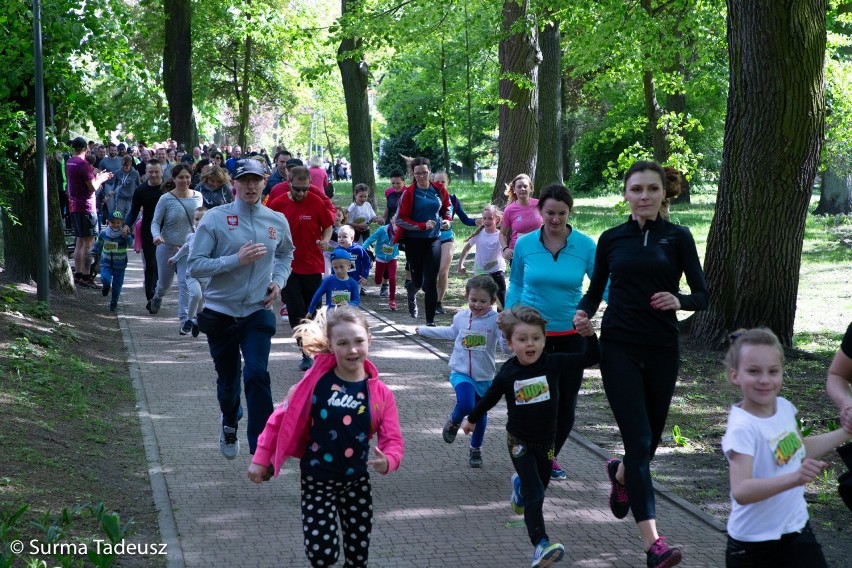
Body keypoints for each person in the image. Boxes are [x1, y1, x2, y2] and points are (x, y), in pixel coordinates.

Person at [574, 160, 707, 568]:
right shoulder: (611, 238)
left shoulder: (679, 237)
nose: (644, 196)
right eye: (637, 189)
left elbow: (701, 294)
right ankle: (654, 544)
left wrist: (679, 300)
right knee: (639, 441)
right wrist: (583, 315)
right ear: (626, 194)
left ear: (664, 193)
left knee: (649, 443)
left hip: (663, 347)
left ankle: (620, 476)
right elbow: (595, 290)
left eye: (652, 189)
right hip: (618, 347)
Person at [247, 307, 404, 568]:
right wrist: (261, 458)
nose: (352, 350)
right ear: (331, 345)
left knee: (357, 557)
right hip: (317, 479)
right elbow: (279, 420)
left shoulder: (380, 393)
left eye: (358, 341)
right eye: (343, 343)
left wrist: (389, 460)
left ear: (369, 341)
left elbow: (393, 440)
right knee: (322, 554)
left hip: (356, 481)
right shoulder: (313, 383)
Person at [461, 305, 599, 567]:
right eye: (522, 339)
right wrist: (472, 418)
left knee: (537, 488)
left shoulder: (555, 364)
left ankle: (520, 488)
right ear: (511, 343)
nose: (530, 344)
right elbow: (490, 397)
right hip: (519, 442)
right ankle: (541, 544)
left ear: (545, 340)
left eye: (536, 338)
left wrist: (590, 335)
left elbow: (591, 357)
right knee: (537, 494)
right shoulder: (508, 373)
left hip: (547, 442)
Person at [188, 158, 294, 460]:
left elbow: (286, 254)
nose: (250, 186)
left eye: (256, 180)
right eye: (244, 180)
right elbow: (195, 266)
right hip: (221, 312)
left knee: (257, 373)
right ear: (233, 183)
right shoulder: (214, 219)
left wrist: (278, 281)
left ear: (264, 182)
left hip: (258, 311)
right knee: (229, 382)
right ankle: (230, 420)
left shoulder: (275, 220)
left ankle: (263, 447)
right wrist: (236, 260)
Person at [722, 328, 852, 567]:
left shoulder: (783, 407)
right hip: (753, 545)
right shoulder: (743, 427)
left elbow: (794, 451)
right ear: (735, 375)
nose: (764, 379)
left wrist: (846, 431)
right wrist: (795, 478)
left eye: (773, 371)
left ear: (782, 372)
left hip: (796, 530)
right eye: (753, 371)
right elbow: (741, 490)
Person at [505, 184, 597, 481]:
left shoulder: (585, 246)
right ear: (539, 211)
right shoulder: (525, 244)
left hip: (571, 335)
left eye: (561, 213)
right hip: (535, 337)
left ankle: (549, 456)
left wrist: (604, 312)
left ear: (570, 212)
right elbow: (517, 283)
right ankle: (528, 456)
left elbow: (600, 286)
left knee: (565, 403)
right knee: (535, 399)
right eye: (549, 213)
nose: (555, 220)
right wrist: (510, 316)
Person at [417, 275, 504, 468]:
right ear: (466, 297)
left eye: (483, 301)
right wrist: (424, 330)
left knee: (480, 415)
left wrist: (506, 330)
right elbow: (450, 333)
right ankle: (454, 422)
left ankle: (475, 449)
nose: (477, 305)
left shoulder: (496, 321)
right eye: (473, 300)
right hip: (461, 371)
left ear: (492, 300)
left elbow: (506, 348)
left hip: (484, 376)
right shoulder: (461, 317)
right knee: (465, 404)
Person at [266, 166, 334, 371]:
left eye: (305, 189)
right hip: (287, 266)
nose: (302, 193)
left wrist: (325, 240)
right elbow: (267, 229)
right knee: (296, 309)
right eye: (297, 189)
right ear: (289, 182)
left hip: (312, 264)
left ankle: (314, 349)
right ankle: (305, 351)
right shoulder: (277, 204)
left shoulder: (316, 201)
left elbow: (328, 226)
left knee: (312, 310)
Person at [394, 157, 452, 325]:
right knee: (418, 281)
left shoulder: (438, 189)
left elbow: (446, 207)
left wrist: (447, 219)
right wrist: (421, 226)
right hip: (414, 241)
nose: (421, 176)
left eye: (424, 173)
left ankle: (430, 321)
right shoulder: (409, 193)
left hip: (434, 239)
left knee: (430, 281)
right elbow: (400, 220)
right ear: (413, 173)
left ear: (429, 172)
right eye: (417, 173)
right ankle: (411, 289)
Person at [149, 164, 204, 334]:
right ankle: (157, 297)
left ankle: (184, 320)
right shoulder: (166, 198)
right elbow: (156, 222)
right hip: (166, 246)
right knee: (164, 284)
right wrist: (156, 236)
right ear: (173, 179)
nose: (184, 180)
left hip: (187, 249)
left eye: (187, 177)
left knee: (184, 284)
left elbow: (201, 222)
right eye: (180, 177)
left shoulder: (198, 197)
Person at [66, 136, 112, 288]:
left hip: (74, 206)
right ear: (86, 149)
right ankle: (86, 276)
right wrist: (102, 178)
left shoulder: (69, 162)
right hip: (86, 207)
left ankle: (78, 274)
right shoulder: (83, 164)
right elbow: (92, 187)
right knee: (89, 243)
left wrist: (96, 177)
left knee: (79, 241)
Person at [432, 171, 477, 314]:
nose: (440, 184)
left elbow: (465, 219)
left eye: (442, 182)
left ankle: (438, 302)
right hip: (428, 238)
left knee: (443, 271)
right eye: (437, 181)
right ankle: (429, 298)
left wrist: (478, 221)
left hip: (446, 238)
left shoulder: (453, 200)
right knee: (430, 273)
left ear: (447, 183)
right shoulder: (426, 198)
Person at [126, 159, 165, 307]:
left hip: (168, 230)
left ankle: (162, 291)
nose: (154, 175)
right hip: (148, 230)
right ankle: (151, 295)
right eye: (151, 172)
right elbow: (133, 211)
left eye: (156, 171)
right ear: (146, 173)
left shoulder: (169, 188)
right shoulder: (141, 190)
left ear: (162, 172)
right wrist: (126, 225)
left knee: (166, 265)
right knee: (151, 263)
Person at [168, 207, 209, 336]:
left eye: (203, 218)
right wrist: (174, 258)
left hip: (207, 275)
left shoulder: (213, 236)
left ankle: (197, 321)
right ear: (193, 221)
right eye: (197, 219)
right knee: (196, 295)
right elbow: (185, 248)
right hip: (191, 273)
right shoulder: (191, 236)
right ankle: (189, 321)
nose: (199, 221)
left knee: (202, 302)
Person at [457, 205, 506, 309]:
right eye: (484, 218)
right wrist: (461, 264)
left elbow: (503, 249)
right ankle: (483, 316)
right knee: (483, 296)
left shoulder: (499, 235)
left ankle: (501, 318)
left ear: (497, 219)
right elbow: (466, 248)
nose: (487, 221)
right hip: (481, 271)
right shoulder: (479, 235)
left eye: (490, 218)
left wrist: (506, 253)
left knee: (501, 296)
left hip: (497, 269)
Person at [92, 210, 134, 311]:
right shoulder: (103, 233)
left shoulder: (123, 234)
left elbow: (131, 244)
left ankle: (113, 303)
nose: (115, 225)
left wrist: (127, 236)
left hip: (120, 265)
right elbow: (99, 243)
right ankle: (105, 287)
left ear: (122, 223)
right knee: (105, 279)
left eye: (118, 223)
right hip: (106, 263)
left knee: (117, 286)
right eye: (113, 222)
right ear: (108, 222)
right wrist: (94, 250)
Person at [499, 174, 542, 263]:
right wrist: (505, 249)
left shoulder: (539, 204)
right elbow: (502, 234)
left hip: (538, 251)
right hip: (518, 253)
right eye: (519, 187)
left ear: (530, 188)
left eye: (525, 186)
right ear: (514, 190)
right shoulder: (509, 209)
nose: (522, 189)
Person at [307, 249, 361, 316]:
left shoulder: (353, 283)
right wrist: (310, 310)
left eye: (341, 267)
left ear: (349, 266)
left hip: (346, 317)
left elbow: (356, 301)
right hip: (331, 317)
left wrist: (349, 304)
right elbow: (317, 295)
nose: (338, 270)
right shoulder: (328, 281)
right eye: (335, 267)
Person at [379, 170, 407, 297]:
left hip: (405, 228)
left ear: (404, 182)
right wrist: (383, 218)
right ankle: (385, 284)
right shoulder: (389, 193)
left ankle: (409, 281)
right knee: (387, 255)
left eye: (398, 183)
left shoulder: (408, 193)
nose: (395, 185)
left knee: (410, 255)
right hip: (390, 229)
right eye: (393, 183)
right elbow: (388, 207)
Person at [362, 222, 400, 311]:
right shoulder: (382, 230)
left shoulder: (401, 232)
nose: (398, 229)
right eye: (397, 225)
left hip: (392, 257)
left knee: (392, 278)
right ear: (392, 222)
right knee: (378, 281)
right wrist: (362, 249)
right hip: (380, 258)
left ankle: (392, 300)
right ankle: (379, 280)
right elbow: (370, 240)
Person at [826, 322, 852, 433]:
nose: (765, 381)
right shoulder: (783, 410)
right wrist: (848, 406)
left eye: (773, 371)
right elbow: (797, 450)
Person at [335, 225, 371, 291]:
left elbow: (367, 261)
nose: (341, 239)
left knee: (354, 298)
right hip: (341, 279)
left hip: (356, 280)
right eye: (339, 237)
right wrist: (333, 275)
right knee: (343, 298)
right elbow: (334, 265)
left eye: (344, 237)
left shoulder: (358, 249)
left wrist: (364, 275)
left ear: (352, 238)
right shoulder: (337, 251)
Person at [105, 154, 140, 221]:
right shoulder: (118, 172)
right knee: (120, 217)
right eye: (124, 165)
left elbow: (138, 185)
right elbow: (115, 184)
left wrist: (138, 197)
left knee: (131, 216)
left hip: (131, 198)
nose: (125, 167)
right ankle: (121, 230)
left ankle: (130, 230)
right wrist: (112, 190)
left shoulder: (135, 173)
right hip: (121, 197)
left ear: (131, 164)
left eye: (127, 165)